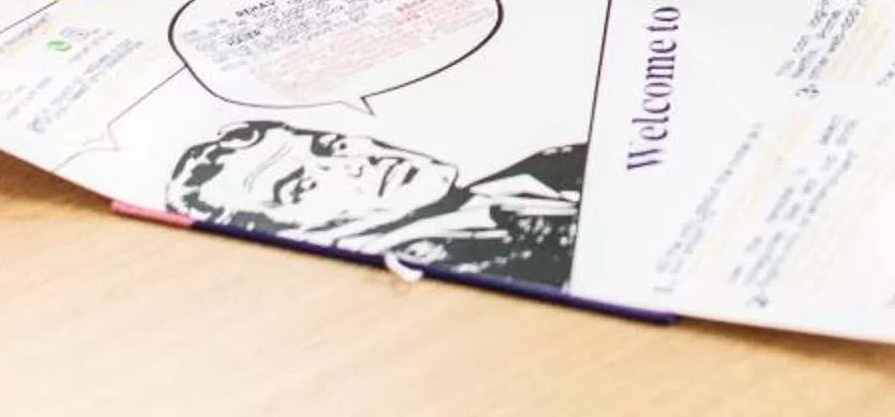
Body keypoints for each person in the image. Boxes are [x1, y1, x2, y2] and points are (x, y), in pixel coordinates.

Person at [166, 119, 583, 287]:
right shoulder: (476, 273)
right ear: (298, 233)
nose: (353, 164)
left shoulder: (555, 165)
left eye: (330, 145)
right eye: (301, 186)